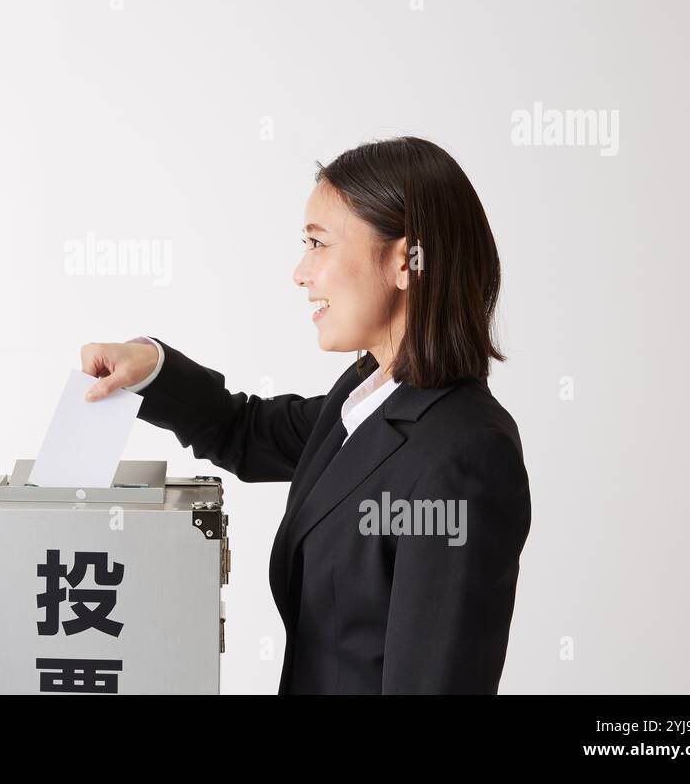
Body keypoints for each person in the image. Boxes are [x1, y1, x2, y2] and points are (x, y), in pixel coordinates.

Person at [81, 137, 531, 693]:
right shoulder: (367, 395)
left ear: (404, 261)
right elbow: (245, 433)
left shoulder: (464, 455)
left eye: (318, 244)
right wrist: (152, 367)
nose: (301, 272)